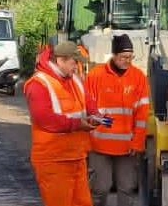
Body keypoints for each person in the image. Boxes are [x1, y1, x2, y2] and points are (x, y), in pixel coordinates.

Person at [24, 40, 104, 206]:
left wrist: (96, 115)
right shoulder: (38, 84)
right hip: (53, 161)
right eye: (73, 63)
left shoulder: (73, 79)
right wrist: (79, 124)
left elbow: (88, 102)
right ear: (60, 60)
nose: (76, 68)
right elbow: (46, 120)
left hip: (76, 157)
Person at [86, 34, 151, 206]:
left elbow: (142, 114)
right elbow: (87, 108)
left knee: (127, 188)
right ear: (113, 55)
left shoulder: (139, 77)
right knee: (100, 188)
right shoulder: (95, 76)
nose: (127, 61)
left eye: (130, 57)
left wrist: (137, 142)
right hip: (99, 145)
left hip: (127, 147)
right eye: (123, 57)